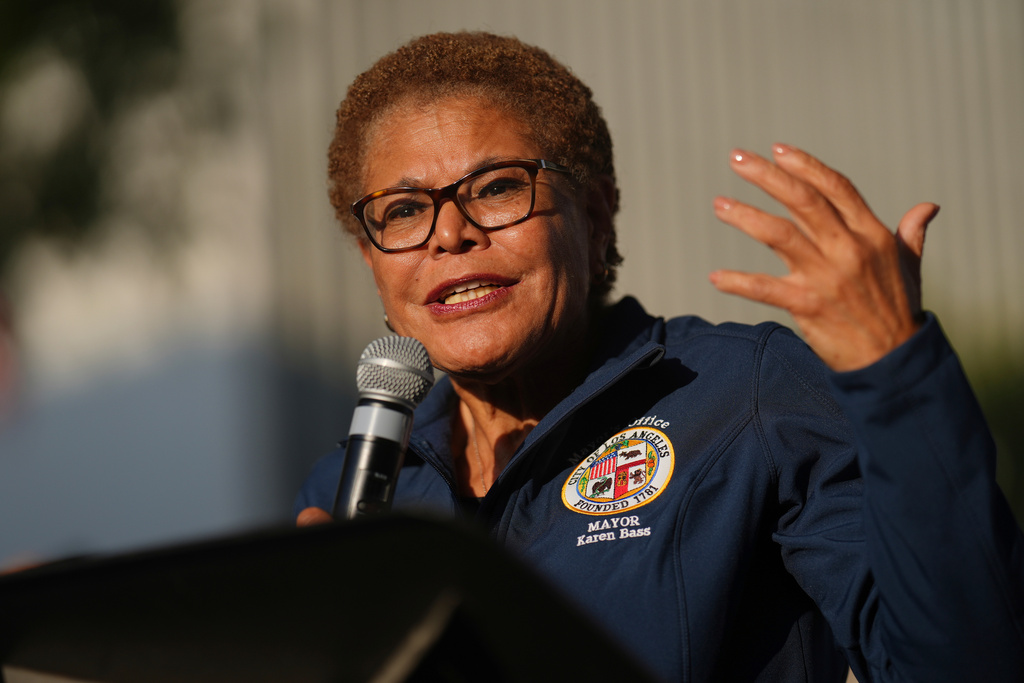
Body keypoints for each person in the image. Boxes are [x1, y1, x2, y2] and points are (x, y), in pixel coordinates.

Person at [294, 32, 1024, 682]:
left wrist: (896, 374)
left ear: (597, 213)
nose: (447, 233)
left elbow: (966, 661)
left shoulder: (744, 394)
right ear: (371, 258)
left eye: (497, 187)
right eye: (404, 209)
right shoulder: (358, 489)